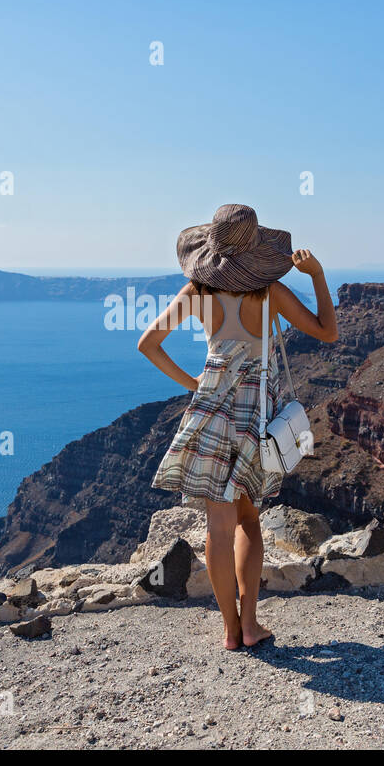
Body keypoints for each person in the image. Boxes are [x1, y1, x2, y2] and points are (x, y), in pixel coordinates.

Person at [138, 204, 338, 649]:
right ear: (255, 252)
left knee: (218, 528)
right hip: (254, 416)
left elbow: (148, 344)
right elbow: (328, 331)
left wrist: (194, 383)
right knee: (249, 519)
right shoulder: (270, 294)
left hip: (210, 413)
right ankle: (250, 624)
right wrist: (317, 275)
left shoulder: (196, 292)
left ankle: (230, 630)